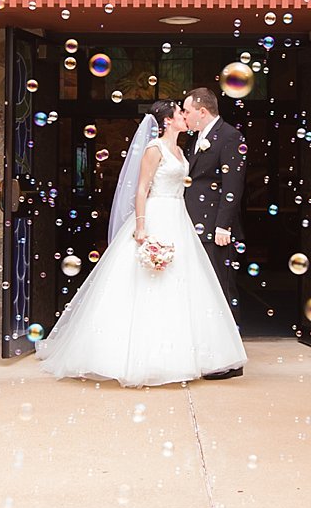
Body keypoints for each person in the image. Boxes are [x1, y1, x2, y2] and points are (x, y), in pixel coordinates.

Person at [37, 100, 246, 387]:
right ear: (167, 121)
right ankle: (141, 356)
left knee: (182, 284)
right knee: (148, 282)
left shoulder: (182, 150)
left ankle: (180, 352)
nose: (185, 116)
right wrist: (141, 225)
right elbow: (141, 189)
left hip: (179, 219)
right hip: (157, 215)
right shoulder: (154, 149)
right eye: (179, 113)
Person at [182, 87, 247, 376]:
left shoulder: (230, 136)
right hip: (194, 228)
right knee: (205, 292)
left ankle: (230, 362)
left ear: (202, 111)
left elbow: (233, 185)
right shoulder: (196, 139)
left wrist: (224, 225)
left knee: (221, 290)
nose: (184, 116)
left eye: (187, 111)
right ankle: (209, 353)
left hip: (214, 229)